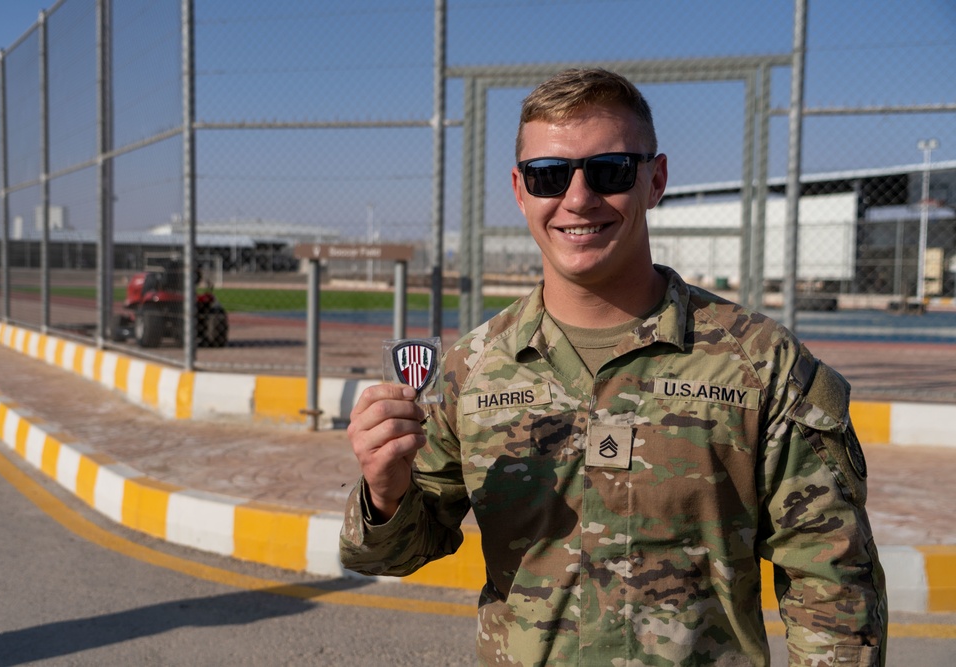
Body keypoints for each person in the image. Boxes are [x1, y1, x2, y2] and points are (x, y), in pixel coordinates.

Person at [340, 68, 887, 666]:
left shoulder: (759, 364)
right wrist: (384, 492)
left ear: (656, 180)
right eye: (550, 176)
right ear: (520, 191)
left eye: (610, 171)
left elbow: (833, 585)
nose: (578, 199)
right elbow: (387, 557)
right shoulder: (471, 370)